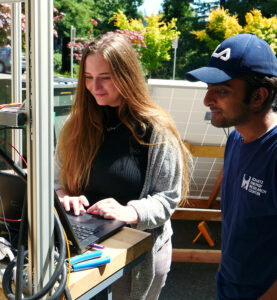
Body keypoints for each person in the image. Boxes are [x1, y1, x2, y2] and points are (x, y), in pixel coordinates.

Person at [54, 32, 190, 300]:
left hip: (138, 255)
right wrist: (64, 196)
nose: (95, 87)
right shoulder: (76, 125)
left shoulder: (156, 130)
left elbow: (168, 198)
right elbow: (56, 180)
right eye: (89, 78)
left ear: (127, 76)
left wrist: (130, 211)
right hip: (83, 249)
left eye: (105, 78)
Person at [186, 33, 277, 300]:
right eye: (208, 88)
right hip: (228, 286)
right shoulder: (236, 138)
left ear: (259, 96)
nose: (207, 100)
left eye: (221, 90)